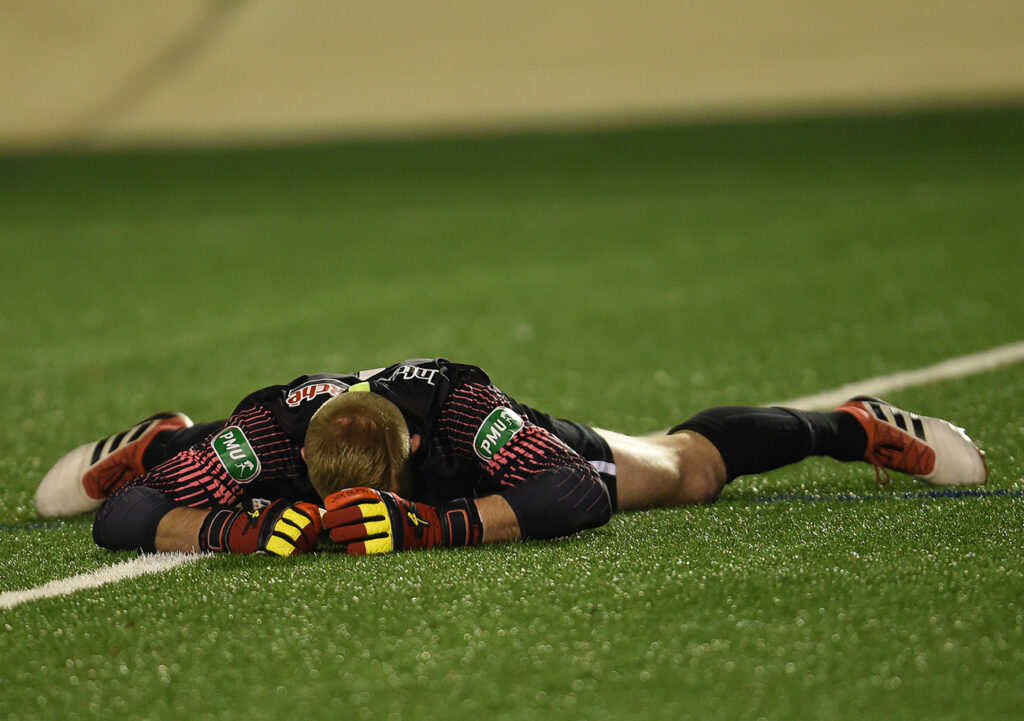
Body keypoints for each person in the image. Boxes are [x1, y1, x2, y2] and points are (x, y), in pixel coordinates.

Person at [34, 358, 988, 557]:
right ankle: (161, 434)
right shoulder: (269, 441)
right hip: (260, 450)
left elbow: (574, 493)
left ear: (407, 451)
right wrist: (232, 527)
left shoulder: (461, 414)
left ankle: (849, 425)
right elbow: (124, 521)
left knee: (686, 471)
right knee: (148, 479)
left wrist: (434, 522)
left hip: (474, 468)